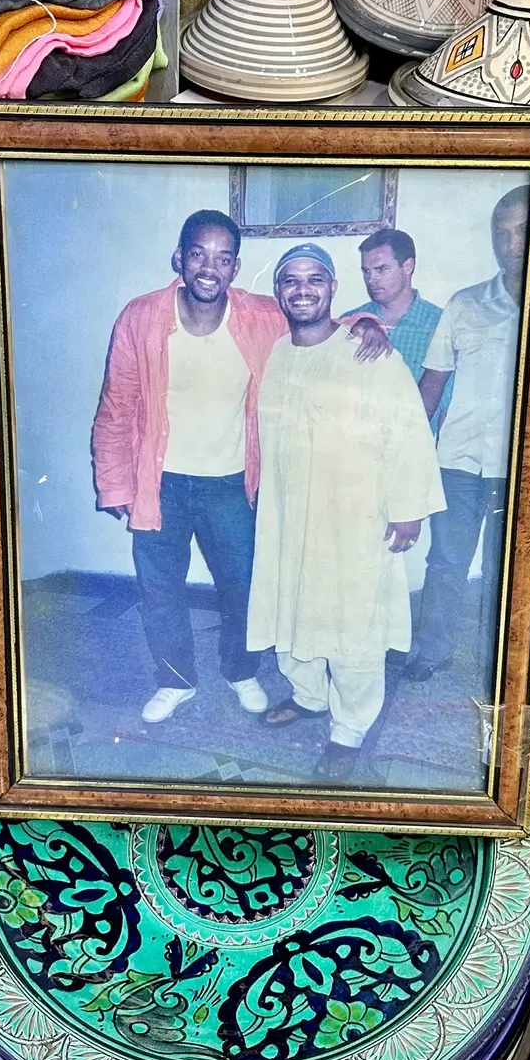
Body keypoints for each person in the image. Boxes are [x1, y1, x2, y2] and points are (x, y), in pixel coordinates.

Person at [92, 211, 390, 724]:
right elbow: (116, 404)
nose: (210, 267)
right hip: (157, 484)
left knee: (243, 587)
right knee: (160, 590)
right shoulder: (140, 317)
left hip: (232, 485)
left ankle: (240, 671)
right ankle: (175, 680)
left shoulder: (258, 316)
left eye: (223, 258)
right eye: (199, 255)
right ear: (180, 258)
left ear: (235, 267)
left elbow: (318, 326)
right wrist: (115, 483)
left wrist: (367, 323)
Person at [250, 244, 445, 780]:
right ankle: (309, 695)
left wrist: (408, 508)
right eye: (291, 280)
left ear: (334, 288)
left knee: (353, 619)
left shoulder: (368, 352)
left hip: (355, 515)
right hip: (288, 513)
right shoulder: (276, 352)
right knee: (291, 603)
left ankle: (350, 728)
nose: (303, 290)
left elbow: (407, 429)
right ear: (278, 291)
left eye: (315, 279)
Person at [408, 184, 529, 683]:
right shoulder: (464, 304)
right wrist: (408, 451)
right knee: (445, 562)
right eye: (501, 233)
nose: (511, 244)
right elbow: (432, 384)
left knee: (510, 568)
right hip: (457, 462)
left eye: (521, 231)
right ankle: (433, 650)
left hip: (518, 467)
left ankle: (501, 658)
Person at [347, 228, 443, 381]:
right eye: (366, 271)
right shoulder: (350, 322)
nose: (371, 280)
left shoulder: (440, 325)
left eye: (381, 269)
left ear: (408, 266)